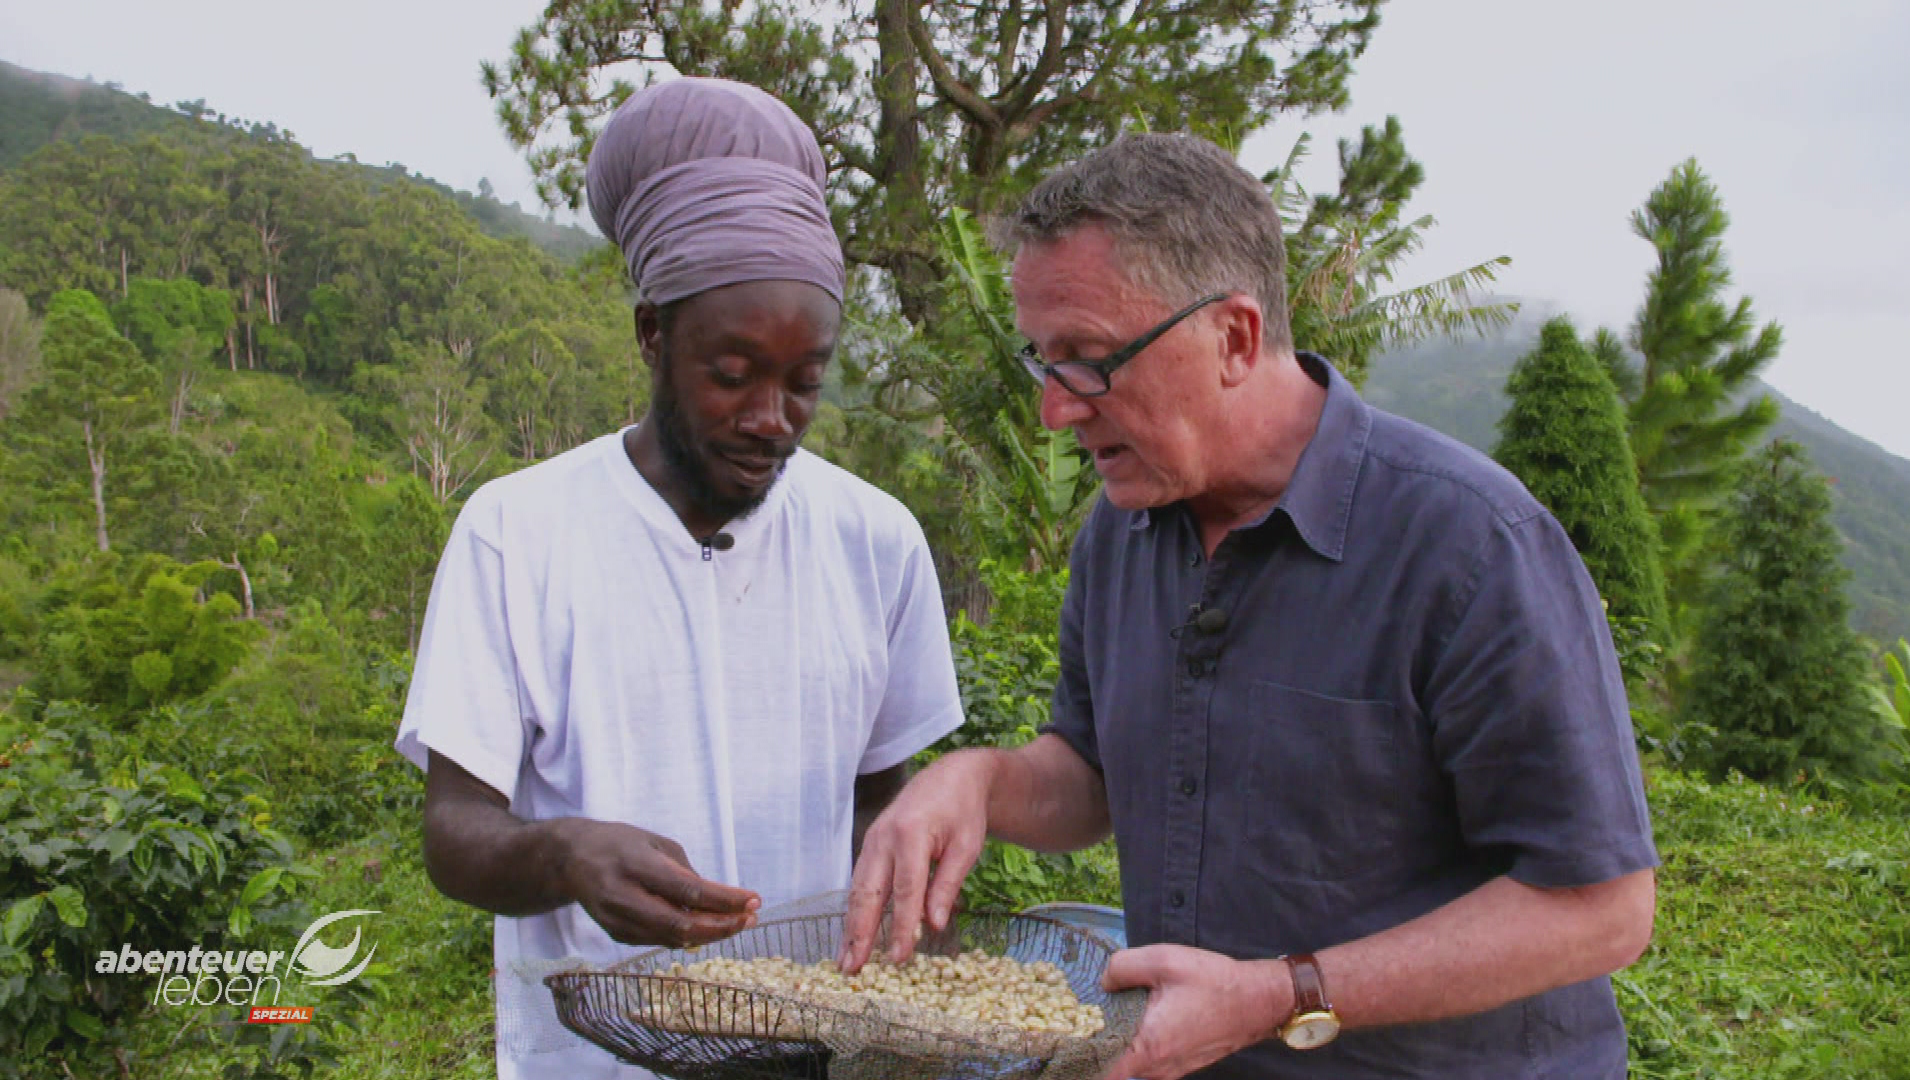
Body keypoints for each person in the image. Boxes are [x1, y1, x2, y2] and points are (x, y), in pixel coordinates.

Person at [841, 132, 1658, 1080]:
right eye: (1044, 362)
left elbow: (1601, 907)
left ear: (1233, 336)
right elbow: (1094, 771)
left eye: (1091, 361)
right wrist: (978, 782)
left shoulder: (1470, 549)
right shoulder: (1123, 532)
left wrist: (1283, 995)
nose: (1056, 412)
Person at [395, 78, 964, 1079]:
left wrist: (915, 929)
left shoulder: (875, 542)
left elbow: (885, 806)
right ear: (652, 333)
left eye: (804, 382)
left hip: (815, 1054)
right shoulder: (516, 533)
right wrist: (563, 854)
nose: (770, 417)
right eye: (733, 372)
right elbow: (454, 831)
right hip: (594, 1061)